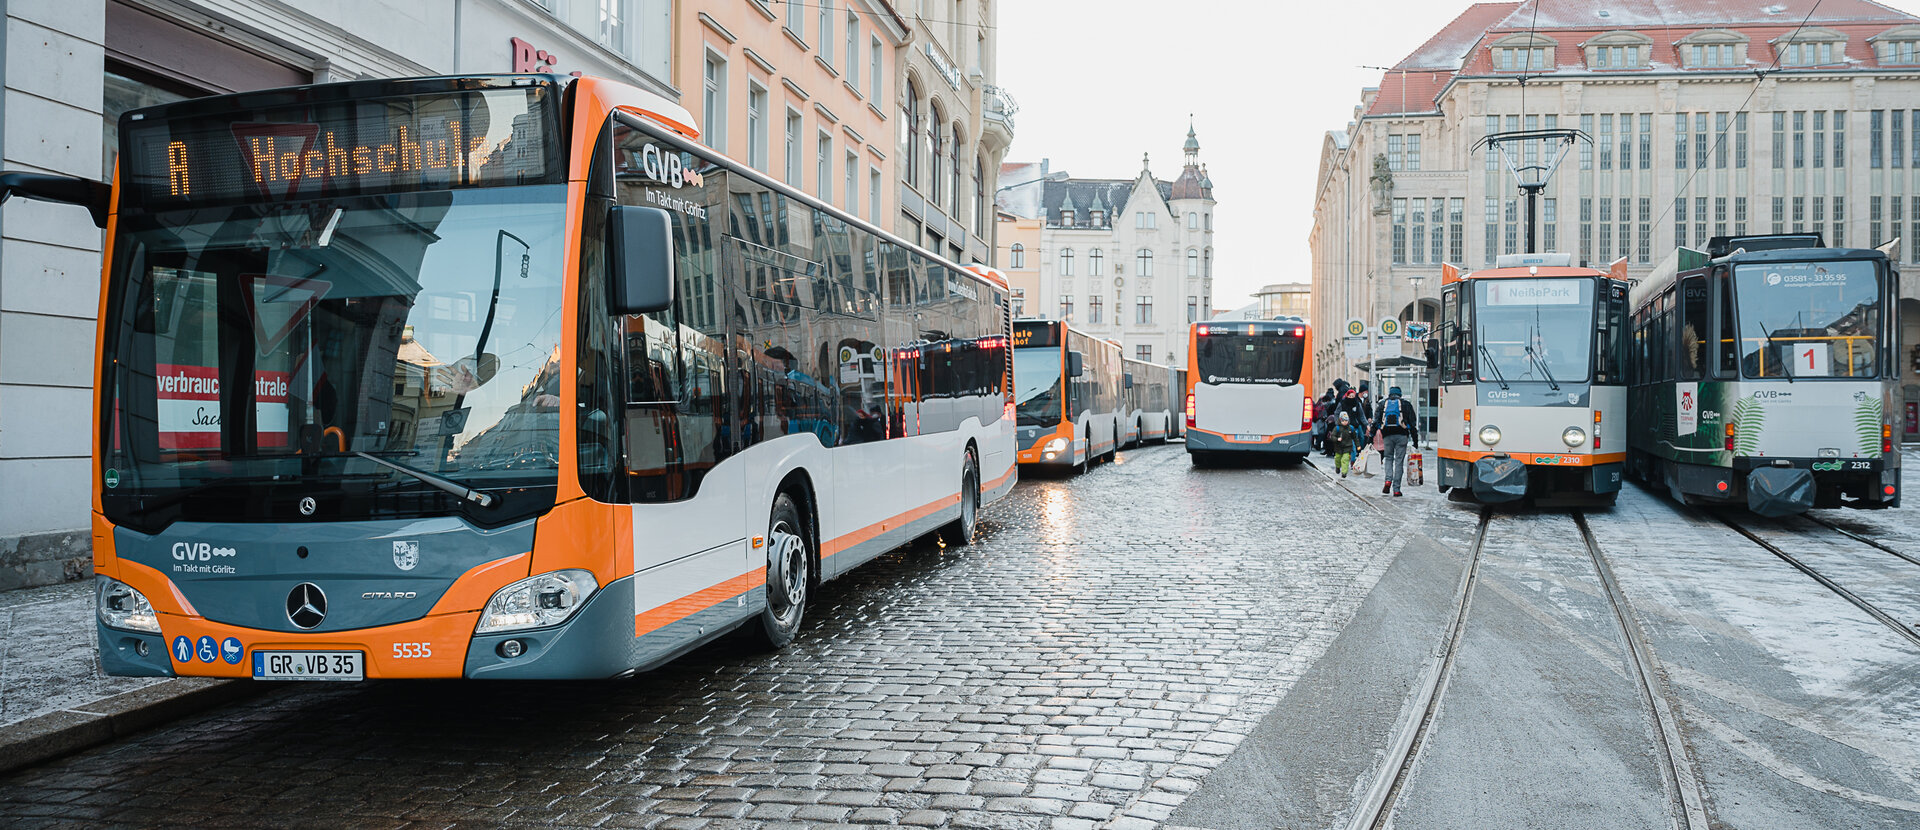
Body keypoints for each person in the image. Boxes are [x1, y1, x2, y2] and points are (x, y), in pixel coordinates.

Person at [1370, 385, 1421, 497]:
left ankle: (1388, 481)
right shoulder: (1406, 404)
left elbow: (1375, 421)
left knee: (1388, 458)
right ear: (1400, 394)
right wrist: (1415, 441)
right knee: (1399, 461)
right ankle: (1396, 489)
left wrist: (1371, 437)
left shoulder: (1383, 404)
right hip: (1402, 436)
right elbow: (1412, 424)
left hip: (1387, 436)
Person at [1326, 411, 1363, 477]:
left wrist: (1358, 445)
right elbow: (1332, 436)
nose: (1345, 422)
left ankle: (1344, 472)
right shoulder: (1337, 428)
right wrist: (1337, 439)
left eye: (1346, 420)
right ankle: (1337, 467)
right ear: (1340, 420)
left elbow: (1355, 437)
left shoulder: (1351, 428)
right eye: (1343, 420)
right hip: (1338, 447)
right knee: (1337, 458)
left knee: (1345, 459)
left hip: (1347, 447)